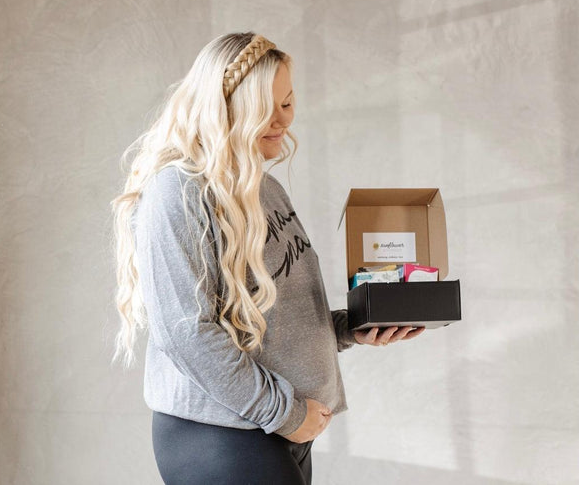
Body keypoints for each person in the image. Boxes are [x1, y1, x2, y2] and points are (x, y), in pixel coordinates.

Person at [110, 32, 425, 484]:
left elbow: (271, 317)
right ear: (225, 108)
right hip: (221, 435)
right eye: (264, 108)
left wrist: (351, 328)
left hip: (277, 430)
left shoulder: (262, 186)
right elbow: (186, 333)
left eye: (287, 103)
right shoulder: (178, 191)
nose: (281, 121)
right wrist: (286, 413)